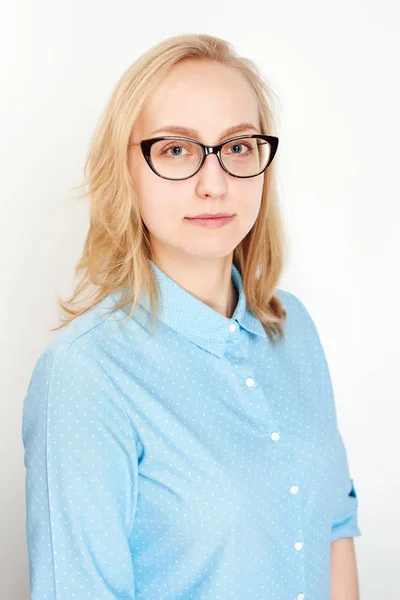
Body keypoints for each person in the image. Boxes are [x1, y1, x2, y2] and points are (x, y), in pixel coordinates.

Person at [21, 33, 361, 600]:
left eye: (238, 147)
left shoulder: (293, 327)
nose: (215, 183)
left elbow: (333, 528)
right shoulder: (84, 376)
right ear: (126, 170)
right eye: (176, 149)